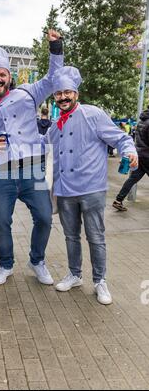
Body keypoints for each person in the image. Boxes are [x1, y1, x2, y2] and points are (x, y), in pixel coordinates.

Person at [0, 30, 64, 286]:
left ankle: (37, 260)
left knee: (44, 217)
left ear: (9, 77)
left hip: (32, 170)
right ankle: (5, 264)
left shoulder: (28, 93)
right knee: (0, 222)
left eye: (2, 74)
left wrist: (55, 47)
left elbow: (53, 78)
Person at [46, 66, 138, 305]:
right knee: (70, 236)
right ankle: (75, 275)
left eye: (67, 92)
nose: (63, 97)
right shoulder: (55, 125)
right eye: (58, 93)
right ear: (54, 97)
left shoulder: (93, 114)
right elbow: (42, 147)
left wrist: (129, 151)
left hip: (91, 189)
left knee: (95, 237)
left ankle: (100, 281)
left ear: (75, 93)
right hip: (65, 190)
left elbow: (121, 138)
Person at [113, 107, 149, 212]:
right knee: (133, 179)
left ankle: (118, 200)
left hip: (139, 155)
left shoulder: (142, 121)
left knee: (132, 179)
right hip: (147, 156)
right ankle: (118, 200)